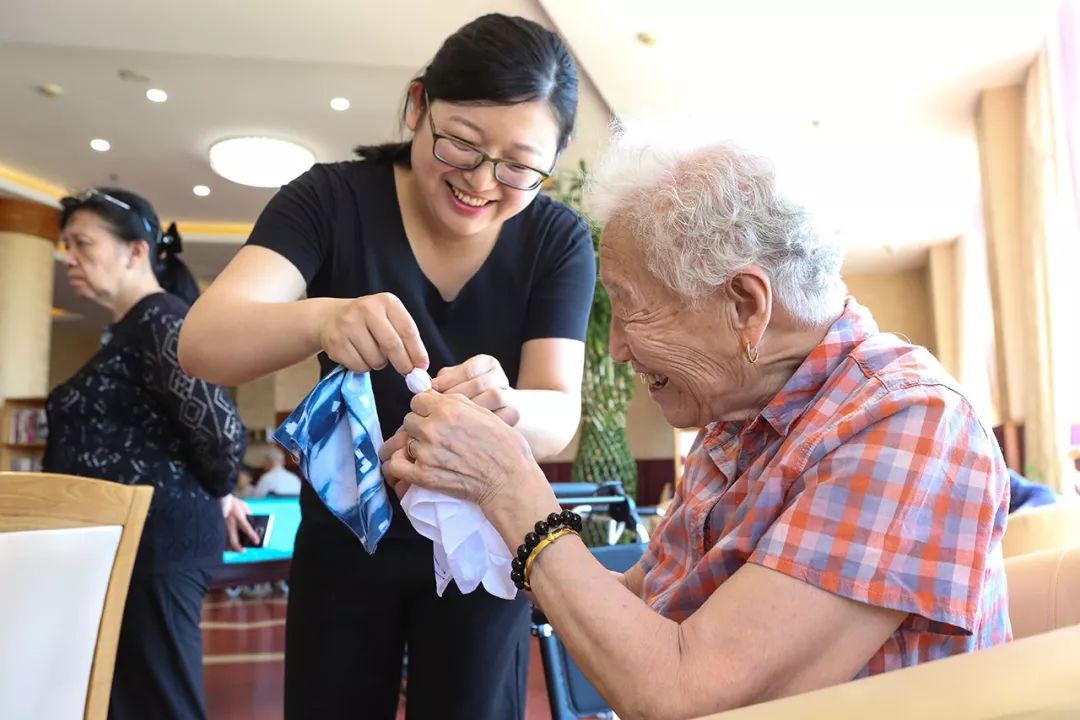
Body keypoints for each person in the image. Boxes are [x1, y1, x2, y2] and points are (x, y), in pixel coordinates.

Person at [381, 139, 1013, 719]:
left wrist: (510, 487)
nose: (618, 349)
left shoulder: (909, 424)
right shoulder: (738, 416)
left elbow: (683, 696)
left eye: (629, 309)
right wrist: (476, 509)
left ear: (745, 305)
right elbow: (639, 603)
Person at [178, 14, 594, 720]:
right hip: (345, 540)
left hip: (481, 546)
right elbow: (204, 341)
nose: (482, 181)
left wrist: (510, 403)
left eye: (519, 165)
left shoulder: (555, 240)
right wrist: (322, 317)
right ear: (416, 105)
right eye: (461, 141)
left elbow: (560, 415)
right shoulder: (330, 201)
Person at [42, 188, 253, 720]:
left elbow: (222, 431)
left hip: (156, 546)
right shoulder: (130, 330)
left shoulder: (161, 319)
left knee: (160, 704)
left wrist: (219, 491)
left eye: (82, 243)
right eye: (66, 245)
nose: (69, 258)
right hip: (129, 545)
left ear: (136, 252)